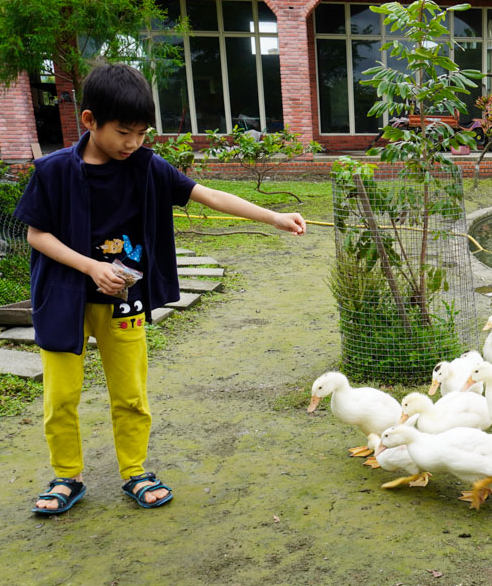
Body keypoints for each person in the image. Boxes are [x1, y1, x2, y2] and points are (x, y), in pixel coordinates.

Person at [16, 63, 305, 515]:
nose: (133, 143)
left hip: (124, 302)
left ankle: (135, 471)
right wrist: (92, 267)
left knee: (131, 393)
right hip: (63, 300)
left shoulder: (146, 167)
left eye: (142, 133)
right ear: (89, 121)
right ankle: (65, 477)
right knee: (60, 398)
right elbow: (37, 235)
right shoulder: (52, 171)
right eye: (124, 132)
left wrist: (272, 217)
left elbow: (208, 195)